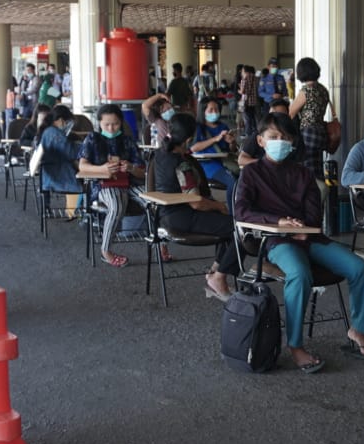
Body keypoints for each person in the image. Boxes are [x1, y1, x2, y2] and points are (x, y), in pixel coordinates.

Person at [232, 112, 364, 373]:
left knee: (359, 268)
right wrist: (280, 223)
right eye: (274, 137)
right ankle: (295, 345)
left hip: (309, 237)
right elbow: (241, 212)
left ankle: (359, 329)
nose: (280, 141)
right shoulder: (251, 173)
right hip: (274, 240)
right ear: (260, 141)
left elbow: (313, 214)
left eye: (285, 137)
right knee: (299, 272)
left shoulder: (303, 173)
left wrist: (303, 229)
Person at [150, 112, 239, 301]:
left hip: (165, 215)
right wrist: (219, 206)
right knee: (239, 229)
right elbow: (196, 202)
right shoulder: (181, 164)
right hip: (183, 216)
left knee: (226, 224)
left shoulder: (159, 154)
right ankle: (219, 276)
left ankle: (215, 272)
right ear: (189, 139)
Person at [77, 104, 145, 268]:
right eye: (107, 124)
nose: (111, 128)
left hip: (129, 182)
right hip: (103, 183)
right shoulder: (93, 138)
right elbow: (82, 166)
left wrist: (131, 168)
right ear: (99, 123)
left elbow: (142, 172)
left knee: (152, 199)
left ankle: (160, 244)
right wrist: (101, 169)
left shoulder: (127, 141)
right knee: (116, 205)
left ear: (121, 122)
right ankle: (106, 250)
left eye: (115, 124)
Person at [288, 57, 333, 184]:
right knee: (317, 169)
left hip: (308, 133)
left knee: (307, 170)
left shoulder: (306, 90)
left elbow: (291, 112)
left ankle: (311, 198)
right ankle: (320, 199)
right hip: (321, 132)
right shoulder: (323, 89)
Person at [192, 97, 238, 202]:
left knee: (244, 180)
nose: (214, 112)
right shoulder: (198, 127)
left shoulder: (223, 126)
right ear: (203, 111)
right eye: (211, 110)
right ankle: (232, 213)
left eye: (216, 109)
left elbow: (232, 150)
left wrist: (232, 142)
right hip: (207, 164)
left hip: (225, 162)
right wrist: (215, 139)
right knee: (232, 182)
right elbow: (194, 148)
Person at [33, 105, 80, 193]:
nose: (69, 126)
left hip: (52, 176)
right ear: (60, 120)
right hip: (61, 176)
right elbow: (71, 152)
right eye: (68, 122)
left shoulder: (49, 131)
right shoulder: (54, 134)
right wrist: (84, 146)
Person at [238, 103, 296, 168]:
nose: (276, 118)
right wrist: (266, 164)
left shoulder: (294, 136)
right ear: (260, 140)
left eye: (281, 115)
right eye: (273, 137)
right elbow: (241, 159)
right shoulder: (260, 133)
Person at [238, 64, 260, 138]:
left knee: (247, 118)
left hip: (246, 102)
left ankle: (247, 133)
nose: (242, 72)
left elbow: (243, 91)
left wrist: (239, 90)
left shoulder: (244, 79)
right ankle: (255, 132)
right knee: (253, 118)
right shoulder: (256, 78)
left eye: (243, 71)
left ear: (245, 71)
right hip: (255, 101)